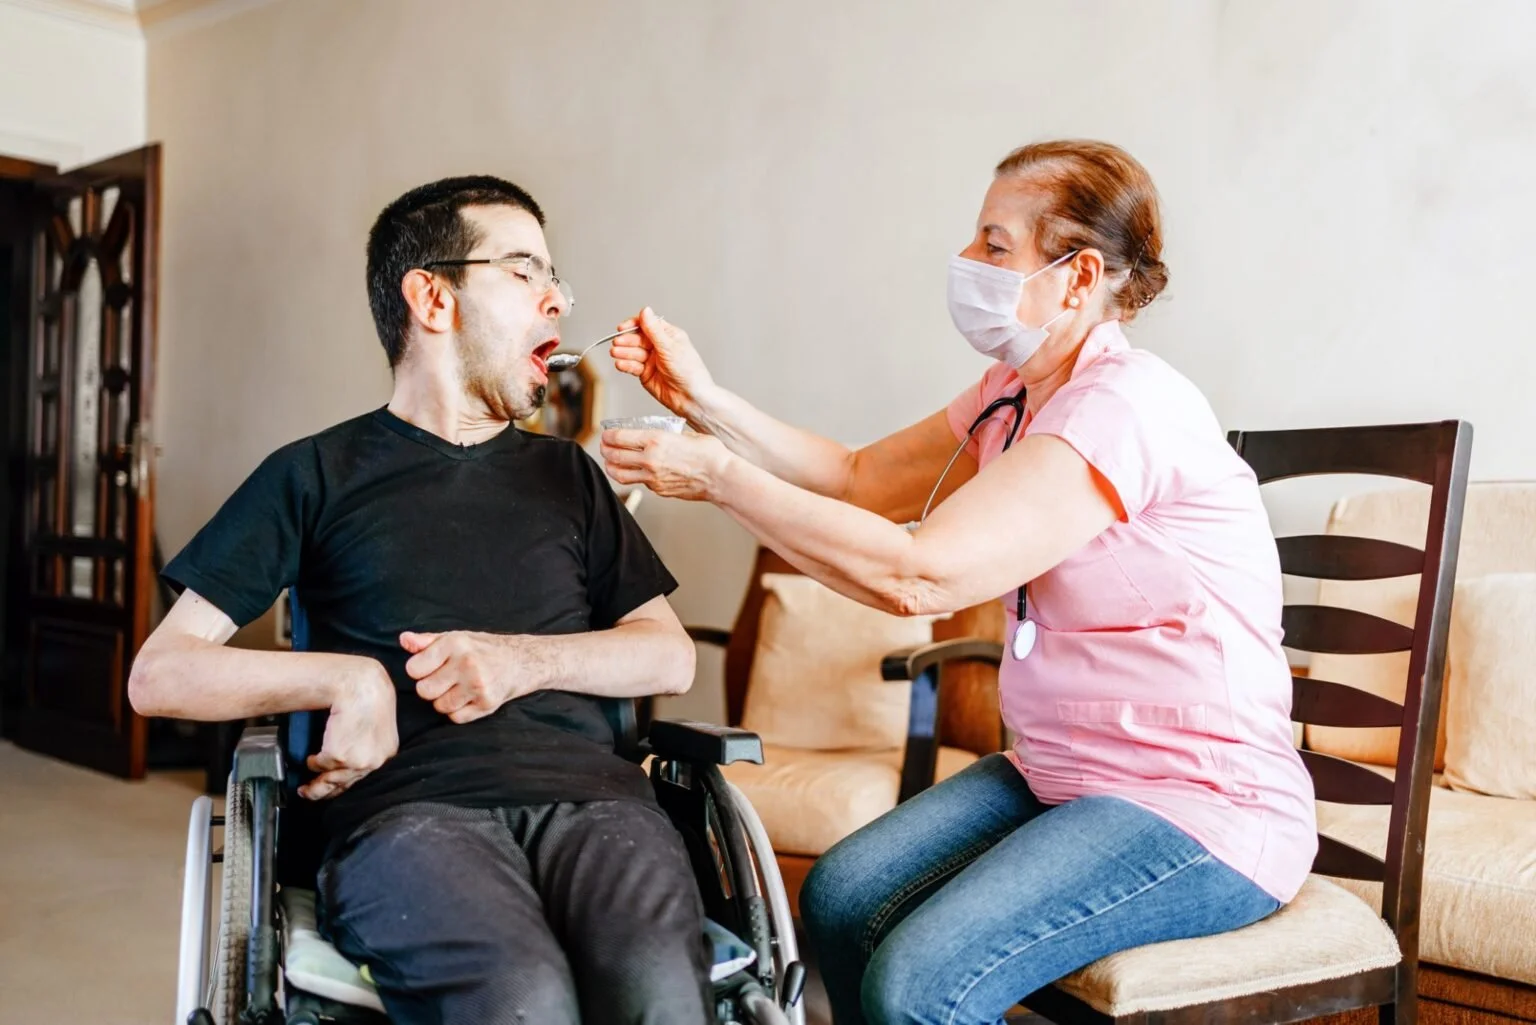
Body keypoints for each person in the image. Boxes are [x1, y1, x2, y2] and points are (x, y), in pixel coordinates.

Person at [600, 139, 1317, 1025]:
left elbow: (919, 574)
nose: (967, 263)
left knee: (919, 983)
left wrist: (717, 478)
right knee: (841, 896)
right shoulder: (1013, 391)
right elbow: (861, 475)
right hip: (1067, 774)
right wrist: (701, 397)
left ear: (1078, 274)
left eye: (995, 245)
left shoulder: (1125, 406)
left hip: (1201, 803)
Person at [129, 176, 714, 1025]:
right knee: (521, 997)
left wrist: (520, 662)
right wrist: (348, 680)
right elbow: (161, 675)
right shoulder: (314, 473)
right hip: (405, 816)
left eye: (557, 279)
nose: (558, 299)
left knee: (658, 992)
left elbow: (669, 653)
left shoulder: (569, 476)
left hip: (600, 806)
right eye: (523, 271)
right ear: (432, 296)